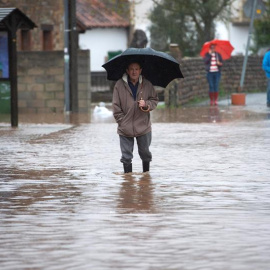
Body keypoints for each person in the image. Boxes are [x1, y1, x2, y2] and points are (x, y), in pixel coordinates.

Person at [112, 61, 159, 173]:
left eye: (136, 69)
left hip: (143, 126)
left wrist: (146, 104)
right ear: (127, 71)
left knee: (145, 154)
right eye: (131, 69)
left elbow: (154, 100)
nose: (134, 72)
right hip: (125, 127)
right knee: (126, 157)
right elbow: (115, 106)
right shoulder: (119, 85)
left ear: (140, 71)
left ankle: (146, 178)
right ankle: (128, 183)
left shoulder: (147, 84)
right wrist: (122, 122)